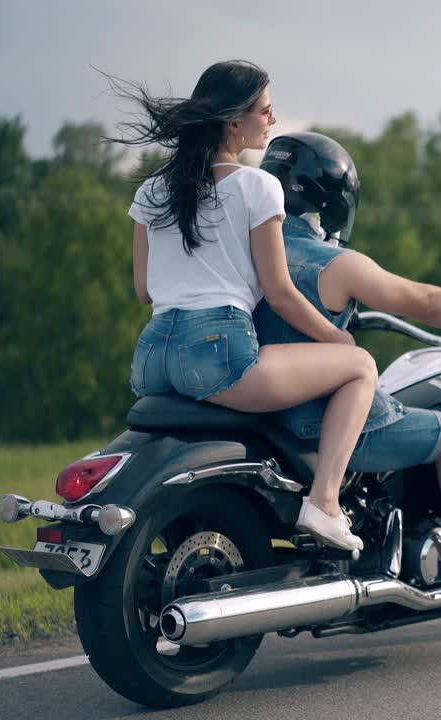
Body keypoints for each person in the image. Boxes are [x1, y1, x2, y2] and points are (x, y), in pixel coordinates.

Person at [254, 132, 441, 606]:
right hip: (319, 417)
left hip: (256, 405)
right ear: (333, 201)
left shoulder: (246, 255)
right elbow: (424, 301)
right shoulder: (332, 264)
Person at [111, 61, 369, 551]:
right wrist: (336, 336)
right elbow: (279, 292)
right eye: (266, 111)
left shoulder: (152, 190)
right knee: (358, 367)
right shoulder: (259, 186)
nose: (272, 121)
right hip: (215, 352)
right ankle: (325, 504)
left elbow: (144, 290)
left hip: (150, 359)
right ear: (234, 123)